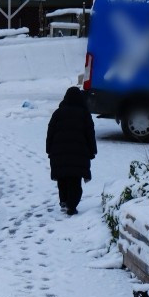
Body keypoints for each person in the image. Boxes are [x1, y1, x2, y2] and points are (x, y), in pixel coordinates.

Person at [46, 86, 97, 215]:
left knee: (62, 178)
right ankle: (72, 205)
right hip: (78, 154)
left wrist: (49, 149)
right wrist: (92, 151)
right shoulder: (84, 114)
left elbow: (50, 132)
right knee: (75, 181)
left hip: (58, 154)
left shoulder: (58, 113)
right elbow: (90, 134)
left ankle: (64, 200)